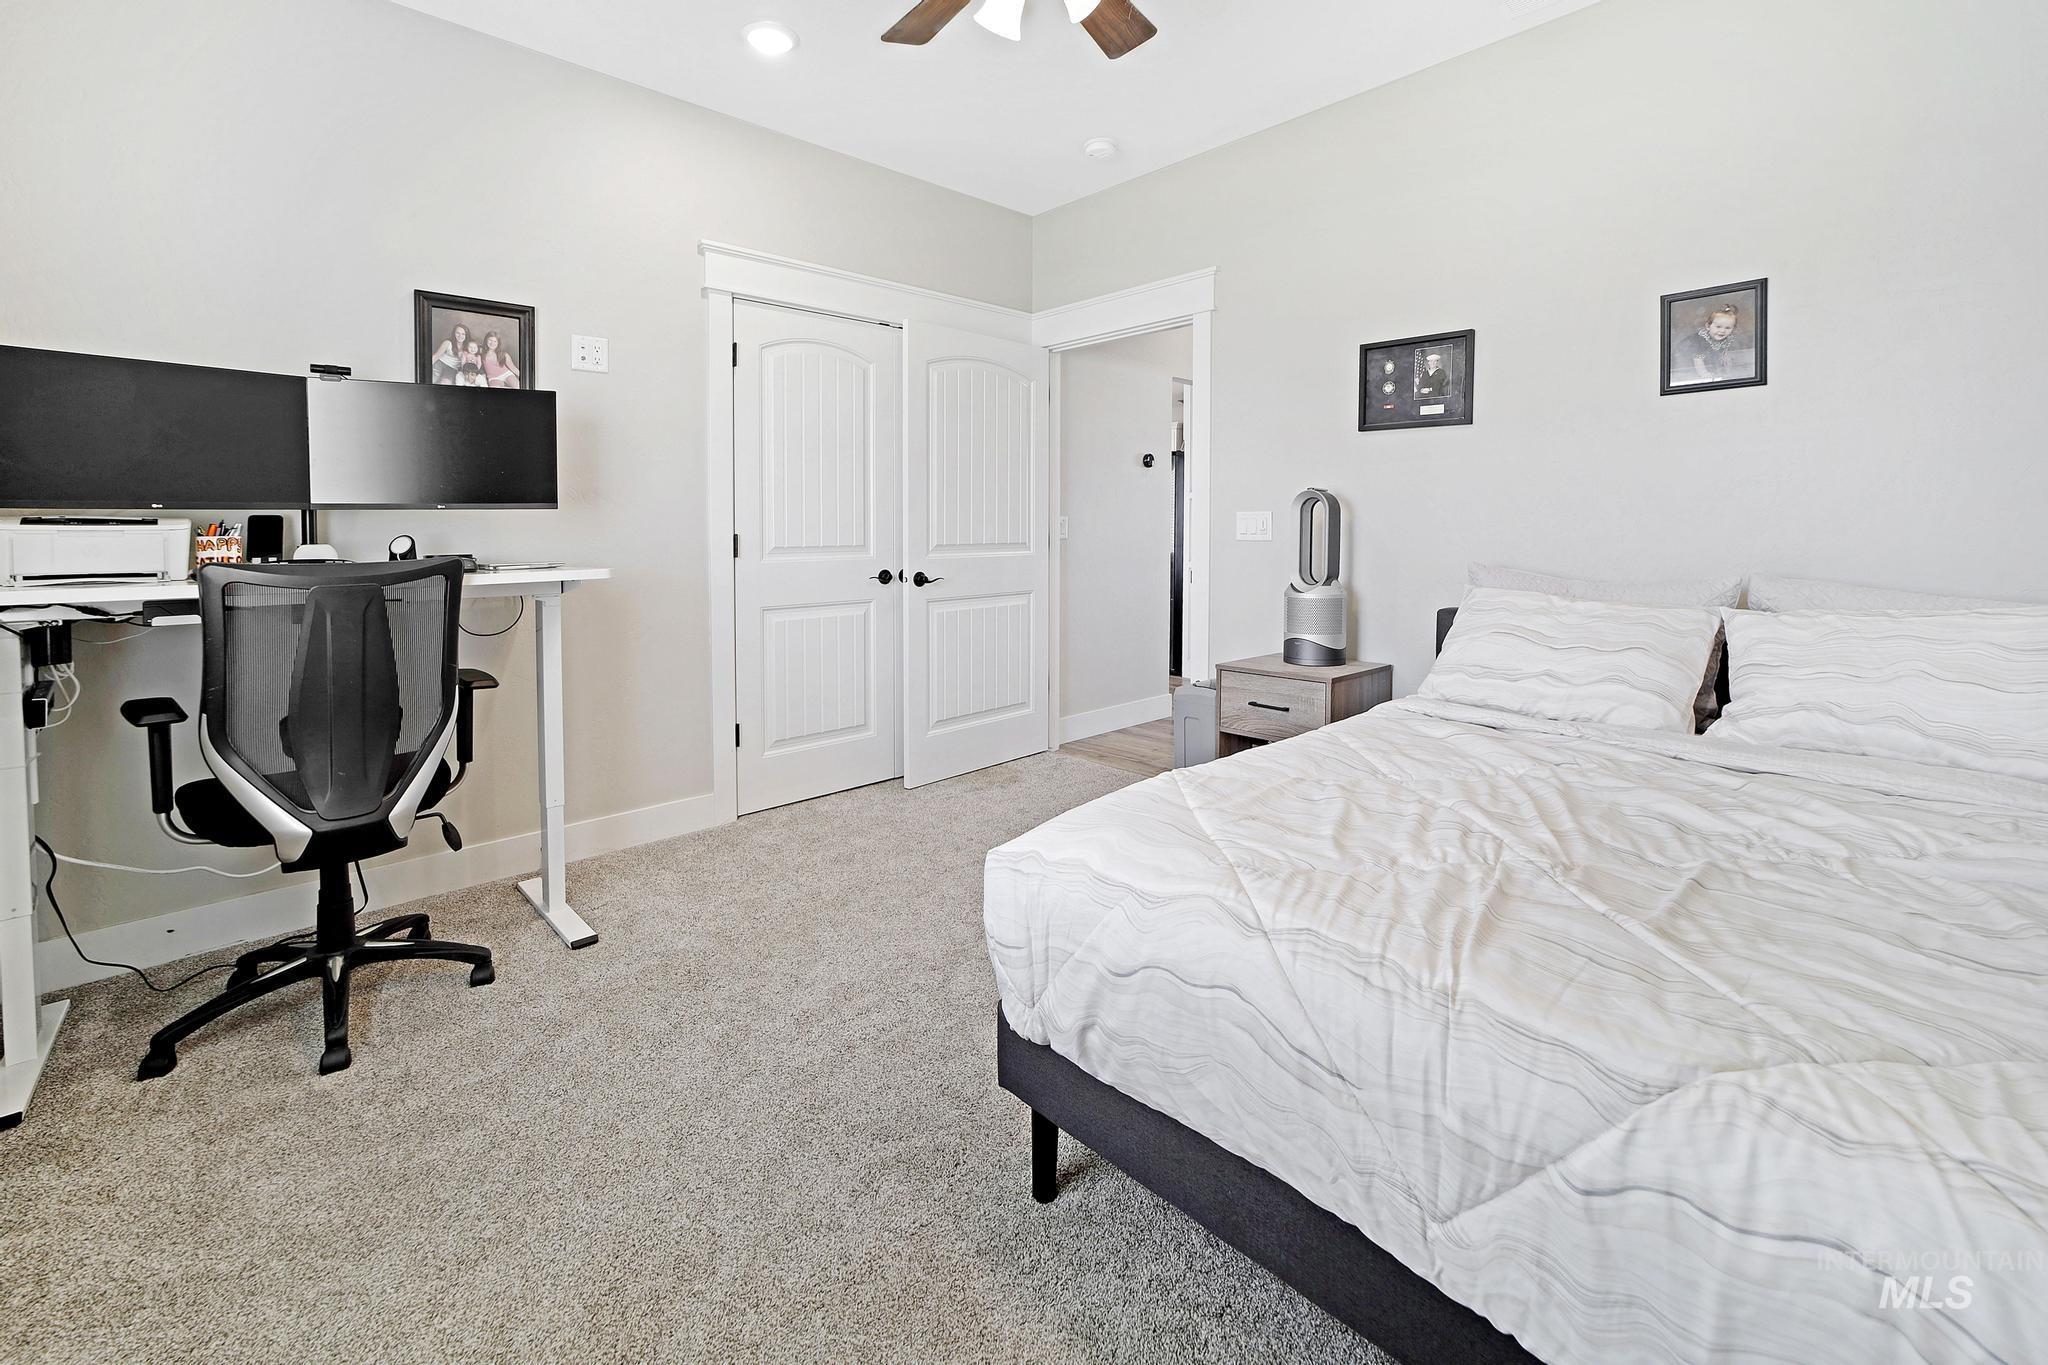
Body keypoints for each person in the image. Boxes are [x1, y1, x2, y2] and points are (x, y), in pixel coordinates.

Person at [1672, 302, 1743, 385]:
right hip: (1685, 360)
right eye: (1718, 327)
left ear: (1733, 329)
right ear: (1708, 326)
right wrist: (1704, 373)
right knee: (1687, 370)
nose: (1722, 331)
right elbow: (1697, 358)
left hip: (1706, 360)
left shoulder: (1728, 339)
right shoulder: (1701, 340)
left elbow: (1724, 353)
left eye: (1728, 328)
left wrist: (1727, 366)